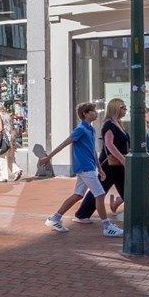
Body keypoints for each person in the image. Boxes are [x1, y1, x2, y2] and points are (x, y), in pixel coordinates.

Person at [45, 101, 120, 237]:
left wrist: (100, 169)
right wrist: (48, 158)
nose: (96, 113)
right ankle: (107, 226)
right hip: (85, 168)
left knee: (78, 195)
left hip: (89, 168)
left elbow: (92, 151)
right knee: (100, 194)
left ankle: (54, 218)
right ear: (85, 114)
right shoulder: (80, 129)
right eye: (93, 111)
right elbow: (64, 143)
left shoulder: (90, 129)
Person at [0, 104, 20, 184]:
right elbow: (11, 128)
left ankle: (3, 177)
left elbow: (0, 128)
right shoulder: (7, 115)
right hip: (11, 138)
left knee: (2, 157)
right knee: (10, 157)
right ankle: (17, 170)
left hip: (4, 139)